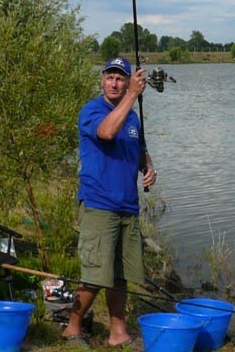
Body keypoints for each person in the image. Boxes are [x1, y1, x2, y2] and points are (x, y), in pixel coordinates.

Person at [62, 56, 158, 347]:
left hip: (128, 205)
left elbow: (139, 147)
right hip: (99, 203)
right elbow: (106, 132)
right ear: (102, 80)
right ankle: (72, 329)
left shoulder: (132, 116)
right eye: (110, 77)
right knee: (95, 272)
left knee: (120, 276)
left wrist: (149, 167)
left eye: (120, 78)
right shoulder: (91, 111)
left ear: (127, 80)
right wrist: (132, 95)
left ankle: (118, 333)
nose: (114, 83)